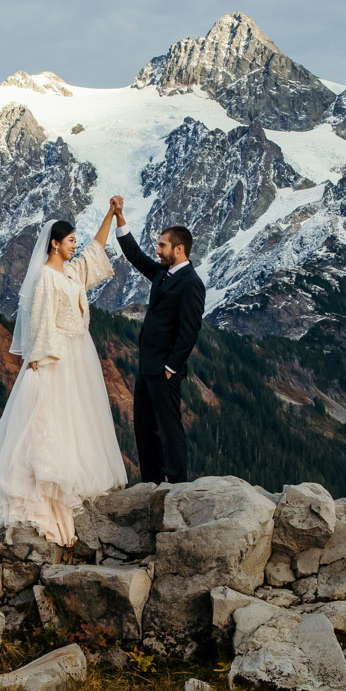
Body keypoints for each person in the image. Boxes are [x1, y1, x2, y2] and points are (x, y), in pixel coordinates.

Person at [0, 210, 130, 548]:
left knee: (76, 417)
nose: (74, 247)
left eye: (73, 242)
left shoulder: (70, 272)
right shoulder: (46, 278)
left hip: (79, 351)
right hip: (58, 353)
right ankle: (46, 483)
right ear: (54, 244)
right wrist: (37, 356)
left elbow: (96, 250)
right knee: (48, 416)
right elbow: (40, 319)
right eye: (69, 242)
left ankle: (74, 476)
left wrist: (111, 214)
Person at [109, 196, 206, 485]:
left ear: (179, 248)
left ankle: (177, 484)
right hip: (148, 366)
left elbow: (189, 331)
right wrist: (120, 218)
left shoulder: (191, 283)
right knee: (144, 428)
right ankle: (151, 482)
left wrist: (171, 367)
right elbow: (136, 256)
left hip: (165, 369)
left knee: (169, 429)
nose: (158, 249)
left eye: (163, 245)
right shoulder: (163, 273)